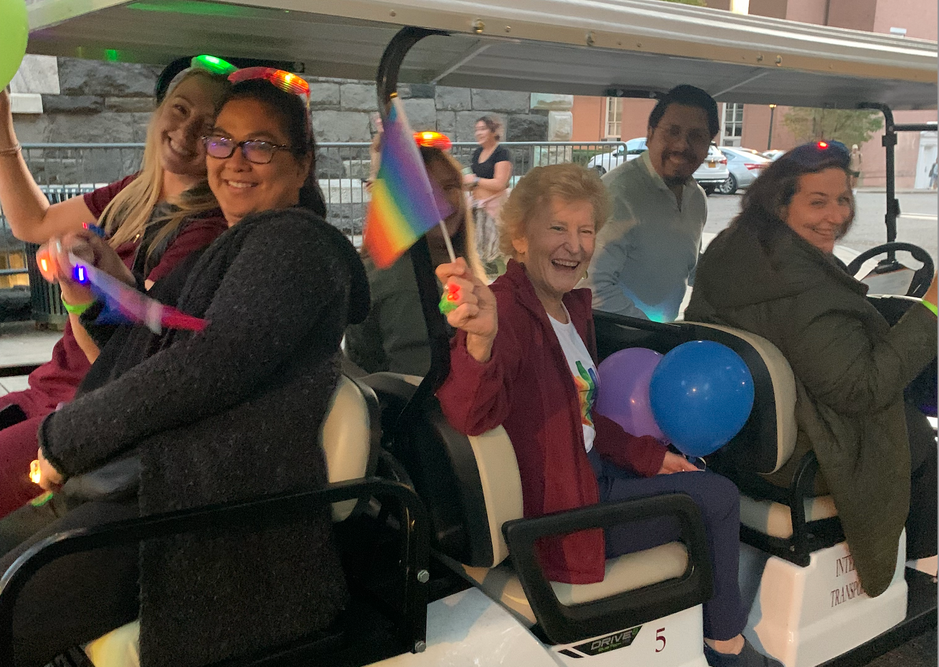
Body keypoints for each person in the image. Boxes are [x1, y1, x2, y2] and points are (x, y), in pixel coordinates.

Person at [0, 72, 367, 667]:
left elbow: (211, 364)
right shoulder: (236, 245)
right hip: (161, 477)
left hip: (207, 501)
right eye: (223, 142)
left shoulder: (296, 245)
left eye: (261, 145)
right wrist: (87, 290)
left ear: (302, 166)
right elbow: (151, 336)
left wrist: (66, 440)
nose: (235, 161)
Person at [436, 163, 782, 667]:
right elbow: (470, 412)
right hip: (564, 511)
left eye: (585, 231)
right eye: (557, 228)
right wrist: (481, 339)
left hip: (589, 478)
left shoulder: (567, 308)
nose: (574, 245)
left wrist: (649, 457)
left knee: (696, 472)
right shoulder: (506, 309)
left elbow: (583, 418)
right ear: (519, 236)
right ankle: (726, 646)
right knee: (720, 496)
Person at [685, 140, 938, 598]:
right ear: (779, 204)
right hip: (801, 455)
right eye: (817, 201)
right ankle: (924, 565)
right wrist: (932, 307)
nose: (836, 216)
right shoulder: (800, 289)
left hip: (736, 442)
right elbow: (862, 389)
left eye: (843, 199)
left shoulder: (735, 248)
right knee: (916, 433)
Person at [0, 69, 230, 517]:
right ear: (158, 111)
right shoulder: (132, 193)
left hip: (83, 414)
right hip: (44, 392)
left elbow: (124, 363)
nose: (185, 131)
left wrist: (78, 291)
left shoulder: (202, 229)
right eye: (179, 109)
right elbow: (33, 222)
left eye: (208, 126)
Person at [345, 139, 482, 375]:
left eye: (450, 187)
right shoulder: (407, 283)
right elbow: (423, 383)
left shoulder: (440, 266)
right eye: (427, 193)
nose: (446, 202)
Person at [584, 85, 719, 322]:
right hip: (612, 341)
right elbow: (591, 288)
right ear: (650, 134)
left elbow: (685, 265)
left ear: (709, 144)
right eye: (672, 132)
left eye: (696, 136)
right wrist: (652, 333)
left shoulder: (696, 198)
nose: (682, 145)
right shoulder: (617, 193)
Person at [465, 115, 512, 273]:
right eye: (476, 130)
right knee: (476, 248)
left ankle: (503, 278)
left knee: (497, 250)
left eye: (483, 129)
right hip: (478, 207)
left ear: (493, 131)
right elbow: (474, 180)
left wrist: (475, 180)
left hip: (495, 209)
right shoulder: (477, 152)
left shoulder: (501, 153)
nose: (478, 133)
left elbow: (500, 183)